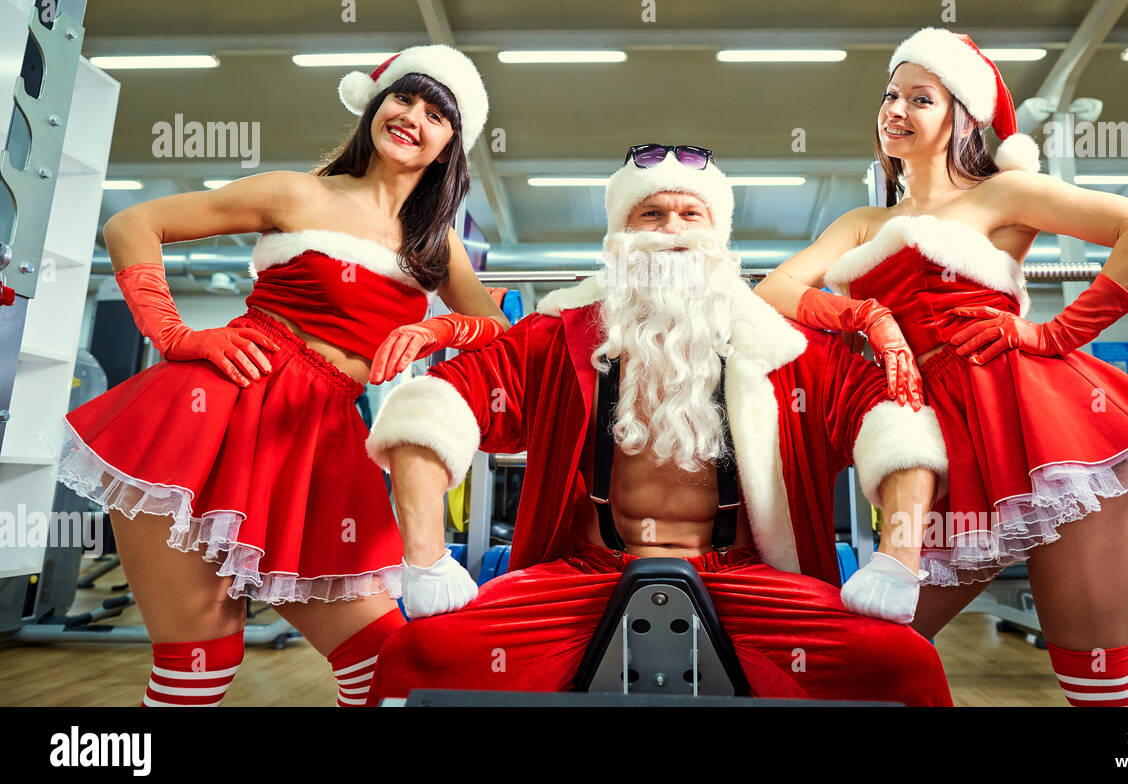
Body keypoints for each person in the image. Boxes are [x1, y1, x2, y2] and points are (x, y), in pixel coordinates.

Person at [361, 146, 954, 705]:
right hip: (582, 576)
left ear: (718, 237)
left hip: (748, 579)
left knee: (903, 664)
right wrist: (426, 558)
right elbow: (430, 410)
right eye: (651, 213)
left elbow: (896, 426)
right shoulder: (554, 339)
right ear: (621, 236)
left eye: (691, 214)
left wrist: (898, 560)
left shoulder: (789, 351)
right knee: (419, 652)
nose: (673, 230)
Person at [41, 45, 509, 707]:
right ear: (376, 103)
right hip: (214, 419)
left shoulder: (434, 243)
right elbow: (132, 223)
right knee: (199, 663)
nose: (412, 116)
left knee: (383, 665)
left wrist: (435, 329)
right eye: (404, 97)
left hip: (322, 441)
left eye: (437, 113)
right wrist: (173, 334)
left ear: (449, 148)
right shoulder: (300, 191)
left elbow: (498, 328)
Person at [753, 27, 1128, 707]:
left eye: (921, 97)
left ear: (961, 117)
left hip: (1043, 425)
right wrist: (868, 318)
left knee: (1094, 672)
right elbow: (774, 292)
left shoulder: (1001, 195)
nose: (895, 109)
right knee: (870, 652)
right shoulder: (862, 224)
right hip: (933, 441)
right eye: (890, 94)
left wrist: (1056, 333)